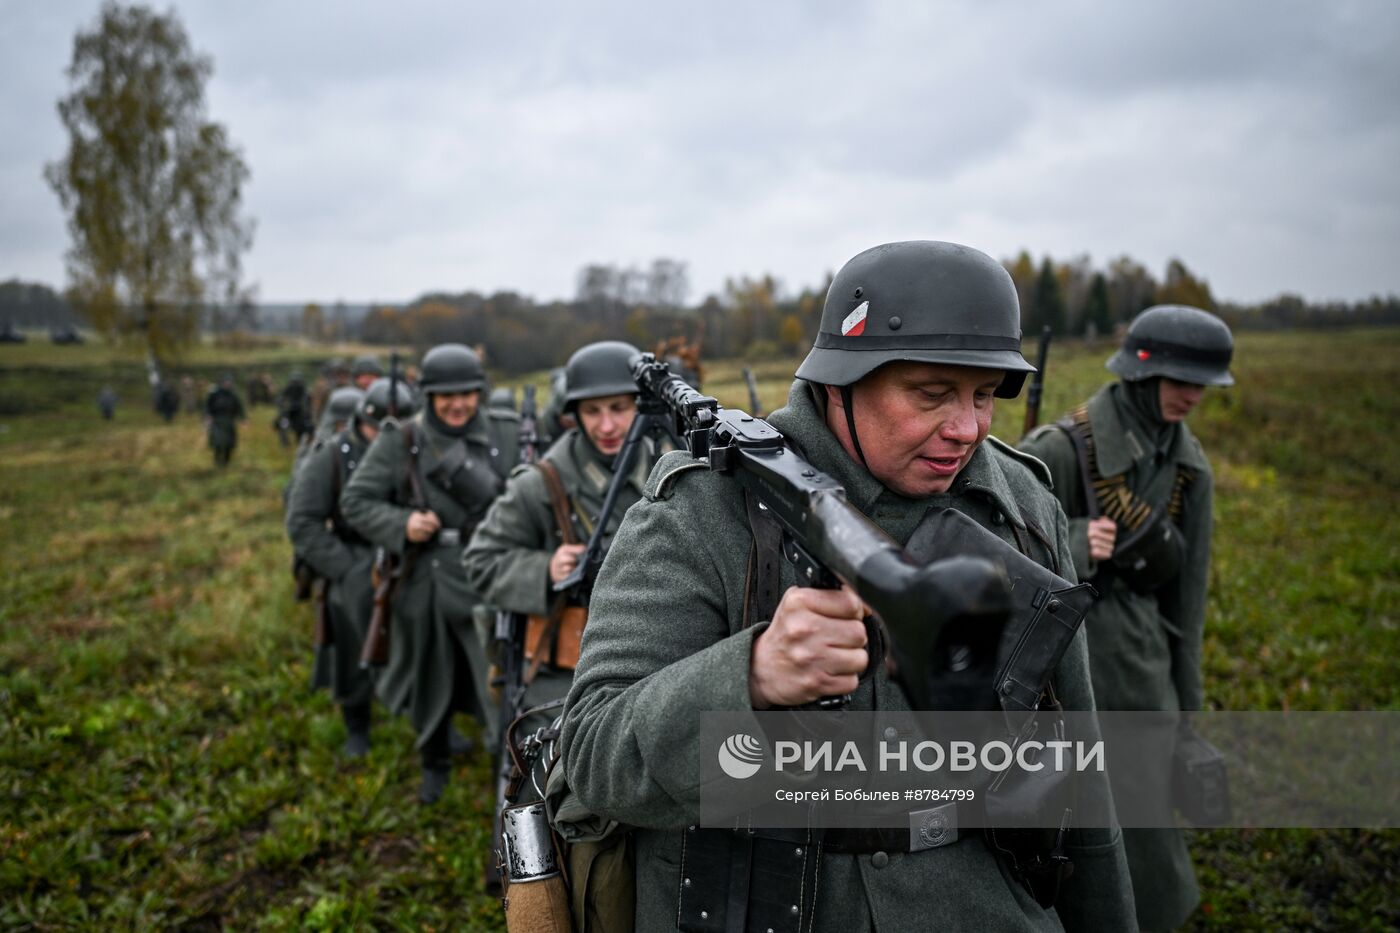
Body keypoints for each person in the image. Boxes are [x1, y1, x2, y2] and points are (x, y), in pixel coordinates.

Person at [559, 241, 1135, 931]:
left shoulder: (1019, 500)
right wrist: (749, 677)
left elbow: (1078, 762)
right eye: (931, 394)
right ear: (840, 384)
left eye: (984, 396)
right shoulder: (700, 511)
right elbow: (594, 752)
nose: (966, 429)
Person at [1018, 303, 1233, 931]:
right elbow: (1003, 553)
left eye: (1202, 384)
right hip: (1063, 667)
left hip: (1142, 673)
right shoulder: (1059, 449)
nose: (1192, 396)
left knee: (1141, 818)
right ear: (1141, 374)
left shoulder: (1189, 468)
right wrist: (1077, 541)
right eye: (1179, 380)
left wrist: (1184, 714)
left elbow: (1186, 605)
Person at [463, 341, 663, 757]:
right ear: (574, 414)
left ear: (640, 407)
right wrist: (542, 569)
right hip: (566, 669)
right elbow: (480, 561)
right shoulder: (541, 484)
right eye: (592, 411)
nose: (606, 425)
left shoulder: (671, 470)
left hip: (659, 654)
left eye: (618, 408)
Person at [340, 343, 518, 804]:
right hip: (427, 580)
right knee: (429, 677)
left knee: (500, 681)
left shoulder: (507, 431)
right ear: (429, 396)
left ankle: (509, 770)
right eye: (446, 396)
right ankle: (434, 762)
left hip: (494, 578)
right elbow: (355, 501)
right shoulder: (401, 440)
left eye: (467, 394)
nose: (458, 405)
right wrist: (402, 524)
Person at [286, 378, 418, 758]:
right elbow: (302, 521)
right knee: (351, 634)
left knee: (422, 637)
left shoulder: (414, 450)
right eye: (379, 429)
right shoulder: (331, 455)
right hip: (352, 557)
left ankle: (424, 716)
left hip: (406, 553)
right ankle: (356, 722)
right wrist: (344, 567)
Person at [204, 374, 246, 468]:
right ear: (222, 383)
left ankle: (226, 462)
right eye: (226, 382)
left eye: (229, 382)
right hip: (217, 421)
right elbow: (207, 406)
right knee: (218, 443)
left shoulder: (233, 395)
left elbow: (239, 407)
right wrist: (208, 416)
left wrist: (243, 419)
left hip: (229, 422)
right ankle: (217, 461)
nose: (228, 384)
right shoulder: (214, 394)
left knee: (229, 444)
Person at [276, 373, 313, 448]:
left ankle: (301, 443)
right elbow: (280, 399)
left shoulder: (303, 389)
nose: (295, 385)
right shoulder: (289, 388)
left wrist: (306, 413)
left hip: (300, 414)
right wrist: (283, 410)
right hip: (289, 413)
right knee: (282, 425)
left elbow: (307, 403)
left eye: (297, 382)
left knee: (302, 428)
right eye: (294, 382)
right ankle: (285, 445)